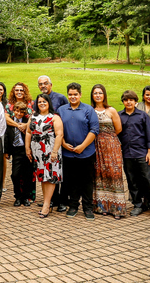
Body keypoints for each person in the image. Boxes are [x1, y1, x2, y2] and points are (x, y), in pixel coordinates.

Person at [119, 90, 150, 219]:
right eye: (126, 100)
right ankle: (138, 205)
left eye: (131, 100)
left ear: (136, 102)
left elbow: (149, 135)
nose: (129, 102)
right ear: (123, 101)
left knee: (148, 180)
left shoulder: (142, 115)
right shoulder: (119, 116)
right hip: (127, 153)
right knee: (132, 180)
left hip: (141, 153)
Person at [56, 82, 99, 220]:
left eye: (75, 94)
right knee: (71, 181)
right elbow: (57, 130)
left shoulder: (88, 110)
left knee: (86, 181)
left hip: (86, 152)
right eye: (70, 94)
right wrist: (63, 143)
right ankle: (73, 205)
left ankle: (88, 207)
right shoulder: (62, 110)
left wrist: (82, 146)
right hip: (68, 152)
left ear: (80, 95)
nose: (72, 97)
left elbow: (94, 130)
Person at [90, 84, 126, 218]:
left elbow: (119, 129)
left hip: (111, 145)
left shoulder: (111, 110)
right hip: (95, 145)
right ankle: (101, 206)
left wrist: (107, 138)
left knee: (113, 173)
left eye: (100, 93)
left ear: (104, 94)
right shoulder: (90, 110)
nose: (98, 95)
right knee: (99, 173)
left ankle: (117, 208)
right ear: (92, 96)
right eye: (95, 93)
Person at [26, 94, 64, 218]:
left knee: (51, 176)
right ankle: (46, 202)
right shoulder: (33, 116)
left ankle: (47, 205)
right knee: (42, 176)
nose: (42, 103)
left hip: (50, 149)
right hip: (37, 151)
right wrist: (27, 148)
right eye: (40, 101)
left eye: (44, 101)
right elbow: (28, 132)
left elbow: (59, 135)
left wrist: (54, 151)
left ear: (49, 103)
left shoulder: (54, 117)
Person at [6, 82, 35, 207]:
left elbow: (33, 123)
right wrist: (7, 151)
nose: (18, 113)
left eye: (21, 90)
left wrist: (26, 125)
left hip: (27, 149)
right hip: (16, 150)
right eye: (16, 111)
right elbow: (7, 137)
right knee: (15, 174)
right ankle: (17, 196)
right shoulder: (11, 122)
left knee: (28, 174)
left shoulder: (27, 120)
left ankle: (25, 197)